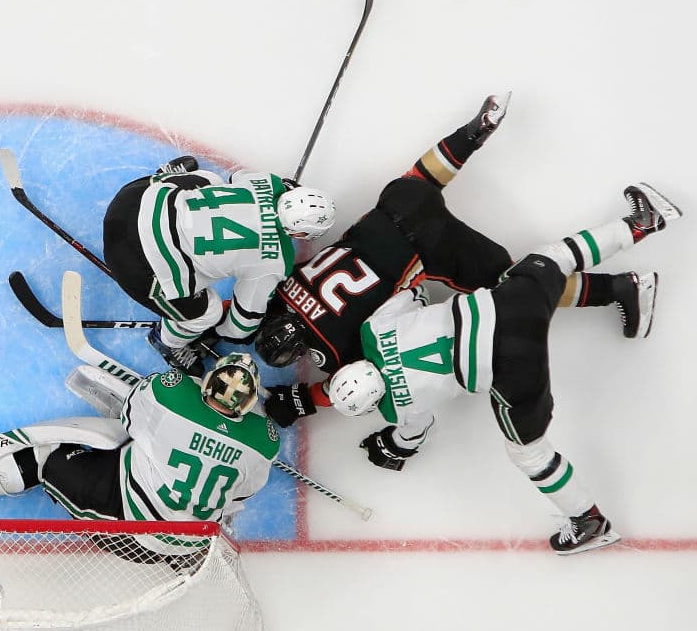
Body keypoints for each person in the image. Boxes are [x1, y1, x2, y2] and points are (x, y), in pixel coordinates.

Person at [301, 183, 682, 554]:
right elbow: (412, 294)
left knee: (529, 453)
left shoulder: (397, 408)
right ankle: (641, 226)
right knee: (556, 258)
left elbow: (414, 435)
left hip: (512, 367)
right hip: (507, 307)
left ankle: (589, 521)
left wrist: (392, 447)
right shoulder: (373, 330)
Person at [256, 93, 657, 423]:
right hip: (389, 216)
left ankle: (621, 287)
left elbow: (354, 382)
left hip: (429, 250)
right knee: (419, 180)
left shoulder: (334, 350)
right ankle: (474, 132)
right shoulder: (285, 288)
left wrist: (301, 402)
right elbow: (254, 296)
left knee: (522, 285)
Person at [0, 353, 279, 558]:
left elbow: (129, 415)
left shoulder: (172, 396)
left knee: (47, 455)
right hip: (190, 547)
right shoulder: (263, 443)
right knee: (139, 456)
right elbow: (242, 493)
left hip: (127, 528)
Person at [102, 156, 336, 377]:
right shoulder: (275, 260)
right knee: (207, 313)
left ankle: (166, 175)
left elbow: (238, 177)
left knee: (213, 181)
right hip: (135, 266)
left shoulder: (268, 181)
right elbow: (241, 324)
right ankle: (166, 342)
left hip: (128, 203)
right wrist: (217, 331)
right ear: (298, 232)